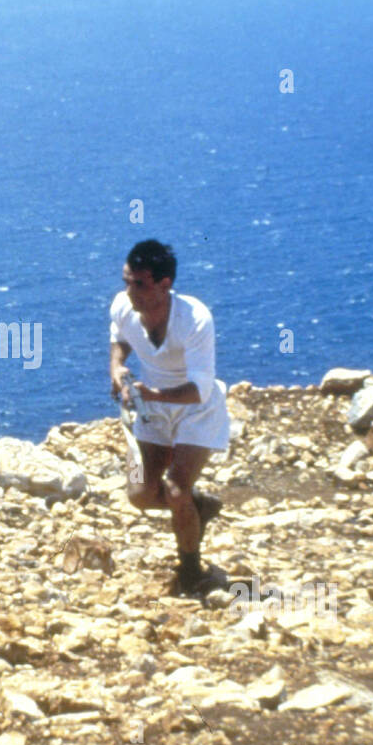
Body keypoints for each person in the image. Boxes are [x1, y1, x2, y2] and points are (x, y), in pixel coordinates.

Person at [109, 239, 229, 595]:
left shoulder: (195, 319)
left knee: (176, 489)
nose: (130, 291)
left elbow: (199, 389)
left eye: (140, 284)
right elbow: (120, 336)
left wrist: (153, 393)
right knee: (140, 494)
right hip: (153, 410)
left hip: (197, 410)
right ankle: (196, 508)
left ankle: (190, 571)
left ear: (165, 284)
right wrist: (116, 368)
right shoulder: (122, 305)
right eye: (127, 280)